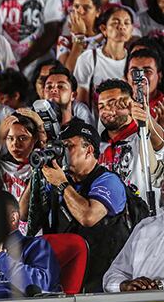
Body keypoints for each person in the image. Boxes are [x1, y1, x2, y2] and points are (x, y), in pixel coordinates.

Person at [19, 121, 133, 292]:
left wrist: (62, 184)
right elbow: (23, 213)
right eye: (60, 147)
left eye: (68, 146)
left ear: (89, 150)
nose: (62, 152)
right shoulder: (59, 179)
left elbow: (88, 217)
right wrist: (38, 172)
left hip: (99, 283)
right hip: (64, 278)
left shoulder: (109, 181)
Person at [96, 79, 164, 201]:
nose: (106, 110)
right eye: (101, 106)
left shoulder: (144, 136)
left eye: (113, 103)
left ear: (130, 104)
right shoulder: (96, 145)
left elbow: (159, 142)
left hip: (146, 212)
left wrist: (146, 120)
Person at [103, 213, 164, 292]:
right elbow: (114, 274)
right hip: (135, 299)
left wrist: (160, 286)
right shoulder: (145, 227)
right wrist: (124, 285)